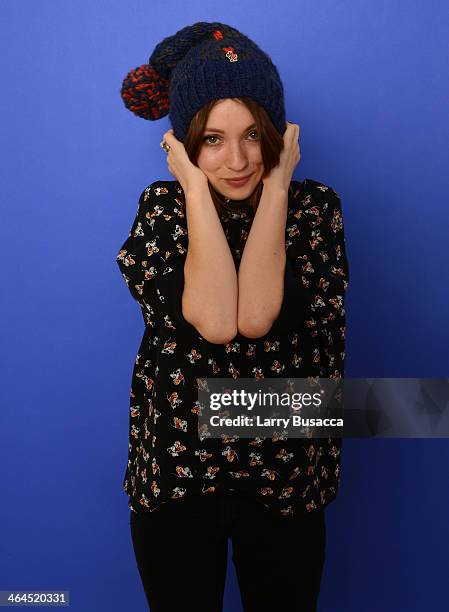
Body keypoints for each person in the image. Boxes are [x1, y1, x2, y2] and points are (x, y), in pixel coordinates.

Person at [117, 21, 349, 612]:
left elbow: (257, 318)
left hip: (288, 473)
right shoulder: (163, 208)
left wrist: (277, 191)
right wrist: (195, 193)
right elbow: (219, 321)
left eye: (253, 134)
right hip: (177, 472)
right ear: (184, 143)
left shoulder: (314, 208)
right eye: (213, 139)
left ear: (278, 134)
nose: (239, 159)